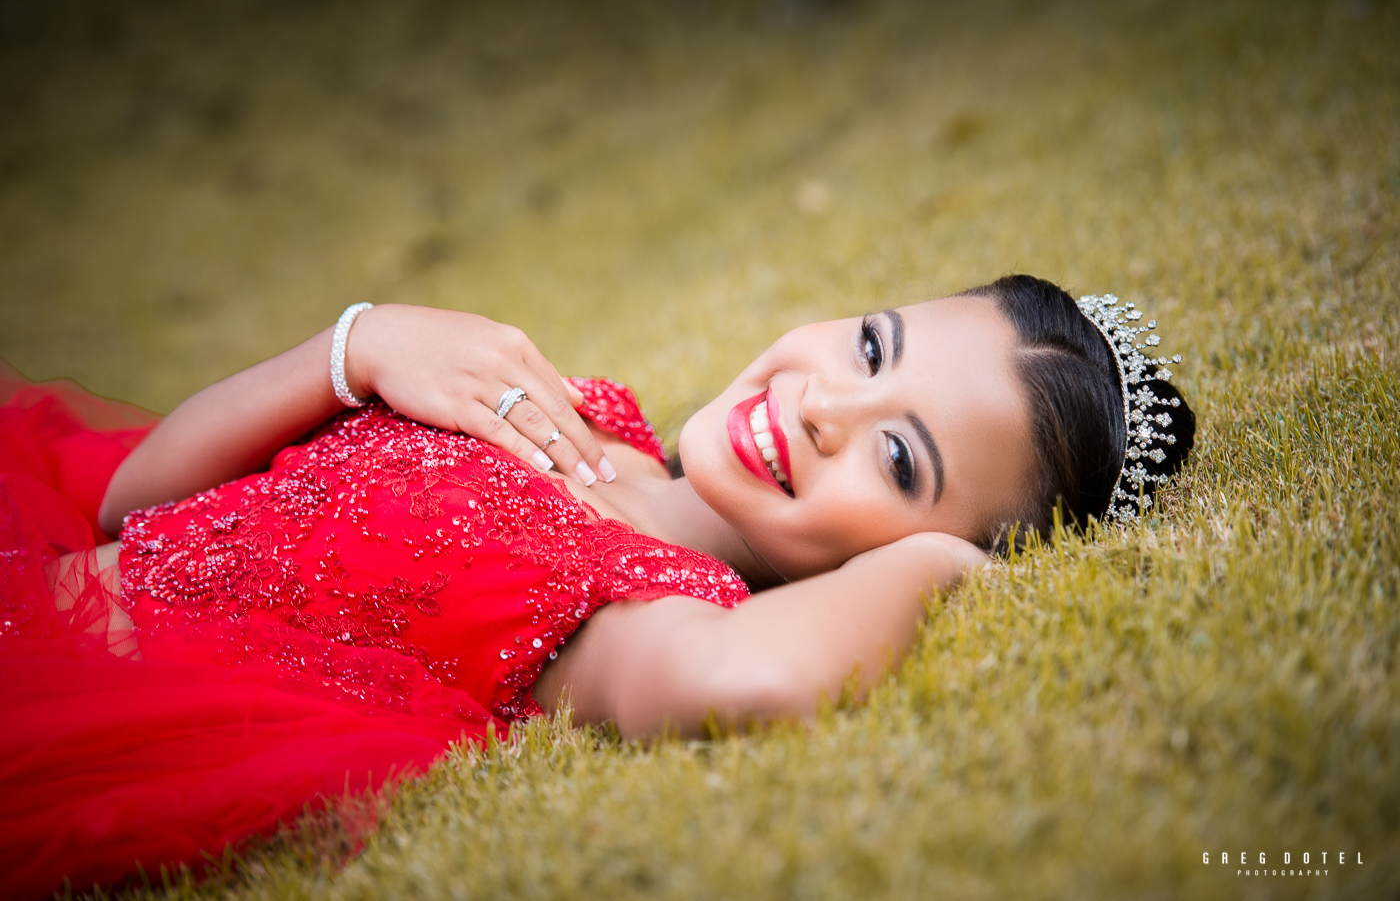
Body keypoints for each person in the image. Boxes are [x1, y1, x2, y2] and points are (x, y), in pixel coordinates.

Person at [0, 274, 1194, 897]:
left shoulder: (641, 611)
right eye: (871, 347)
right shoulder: (582, 415)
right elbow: (130, 502)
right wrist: (356, 346)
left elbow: (758, 678)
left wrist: (941, 561)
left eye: (899, 460)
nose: (826, 404)